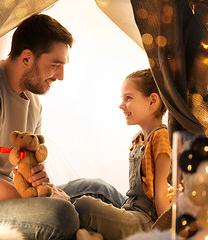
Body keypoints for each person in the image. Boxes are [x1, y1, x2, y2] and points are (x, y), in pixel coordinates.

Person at [0, 14, 126, 240]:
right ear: (27, 58)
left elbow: (33, 170)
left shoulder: (34, 102)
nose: (60, 76)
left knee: (99, 189)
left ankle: (149, 225)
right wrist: (41, 199)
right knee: (63, 214)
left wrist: (45, 185)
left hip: (24, 195)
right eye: (55, 65)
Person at [73, 69, 171, 240]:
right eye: (122, 99)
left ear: (152, 101)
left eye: (128, 98)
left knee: (84, 206)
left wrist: (166, 234)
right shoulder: (138, 139)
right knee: (93, 192)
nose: (121, 105)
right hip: (130, 209)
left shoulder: (161, 137)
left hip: (147, 221)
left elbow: (162, 194)